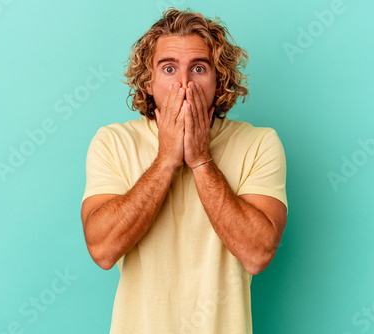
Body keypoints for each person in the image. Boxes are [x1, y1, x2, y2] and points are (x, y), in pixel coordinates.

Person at [81, 8, 287, 334]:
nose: (184, 83)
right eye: (168, 68)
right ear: (148, 82)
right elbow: (103, 251)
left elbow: (257, 254)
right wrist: (166, 159)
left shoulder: (259, 143)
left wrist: (201, 159)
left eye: (199, 68)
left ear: (219, 82)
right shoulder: (112, 142)